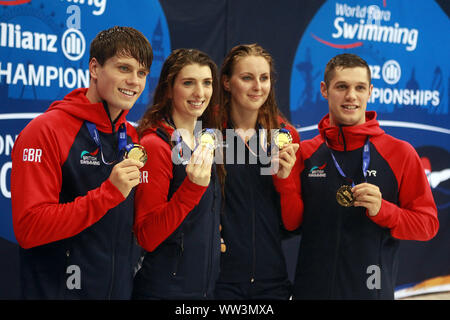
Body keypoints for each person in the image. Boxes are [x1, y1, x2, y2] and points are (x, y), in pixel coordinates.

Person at [10, 26, 153, 299]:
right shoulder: (45, 131)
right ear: (95, 68)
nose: (135, 81)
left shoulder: (131, 136)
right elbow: (30, 229)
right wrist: (108, 194)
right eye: (124, 68)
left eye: (142, 73)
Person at [284, 53, 439, 299]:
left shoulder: (399, 153)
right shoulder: (306, 152)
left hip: (371, 292)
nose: (351, 96)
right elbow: (291, 224)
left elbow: (427, 225)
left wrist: (384, 210)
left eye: (359, 87)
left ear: (371, 92)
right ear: (324, 90)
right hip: (310, 291)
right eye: (342, 86)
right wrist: (283, 180)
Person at [132, 48, 221, 299]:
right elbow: (147, 236)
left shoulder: (201, 140)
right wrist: (192, 189)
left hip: (201, 291)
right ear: (169, 89)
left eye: (206, 83)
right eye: (188, 83)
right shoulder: (155, 145)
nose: (200, 93)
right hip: (164, 291)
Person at [214, 43, 301, 299]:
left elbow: (293, 222)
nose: (258, 87)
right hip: (219, 279)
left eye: (264, 78)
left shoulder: (285, 135)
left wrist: (284, 181)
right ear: (227, 83)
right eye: (247, 78)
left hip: (271, 278)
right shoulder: (207, 132)